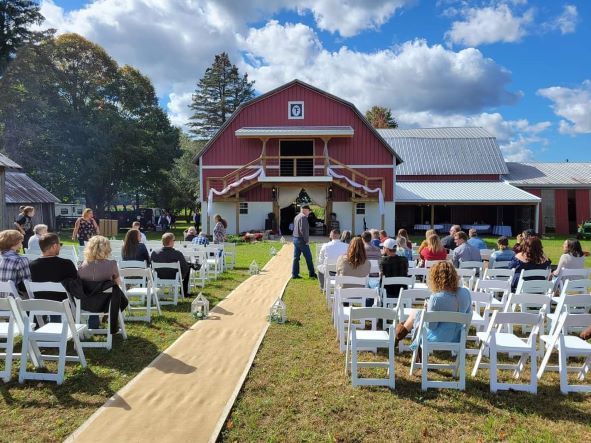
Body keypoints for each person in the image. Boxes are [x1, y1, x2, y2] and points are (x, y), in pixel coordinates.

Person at [395, 262, 472, 348]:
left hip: (437, 338)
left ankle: (398, 336)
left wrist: (427, 310)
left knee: (416, 315)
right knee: (416, 313)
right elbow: (469, 313)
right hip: (458, 336)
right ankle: (398, 335)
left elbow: (431, 326)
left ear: (435, 278)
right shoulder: (466, 293)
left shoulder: (436, 298)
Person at [78, 236, 127, 330]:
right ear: (107, 248)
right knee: (116, 293)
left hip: (85, 303)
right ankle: (110, 318)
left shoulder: (81, 265)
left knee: (94, 292)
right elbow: (118, 283)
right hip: (106, 303)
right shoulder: (112, 264)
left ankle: (94, 324)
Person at [29, 233, 78, 301]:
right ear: (54, 246)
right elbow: (77, 286)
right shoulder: (66, 264)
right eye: (60, 244)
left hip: (40, 306)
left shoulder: (31, 265)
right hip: (64, 306)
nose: (60, 247)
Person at [0, 230, 30, 294]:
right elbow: (28, 284)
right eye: (21, 242)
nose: (21, 244)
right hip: (12, 300)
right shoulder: (20, 260)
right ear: (15, 243)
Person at [291, 205, 317, 279]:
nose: (309, 213)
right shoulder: (303, 217)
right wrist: (307, 240)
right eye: (309, 211)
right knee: (308, 257)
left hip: (295, 238)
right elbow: (303, 230)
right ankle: (312, 274)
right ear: (306, 210)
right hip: (302, 240)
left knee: (296, 258)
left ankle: (294, 274)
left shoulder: (297, 216)